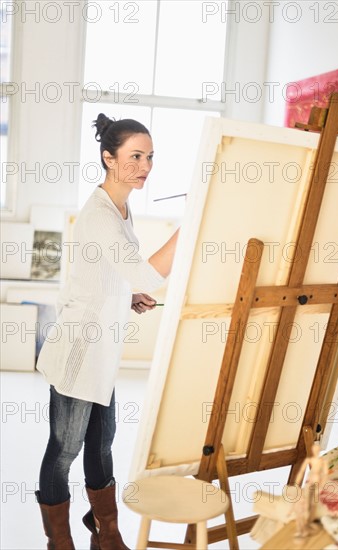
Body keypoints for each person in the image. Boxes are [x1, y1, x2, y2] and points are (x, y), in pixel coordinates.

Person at [35, 115, 179, 549]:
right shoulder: (99, 214)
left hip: (102, 350)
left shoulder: (122, 208)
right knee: (65, 449)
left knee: (101, 447)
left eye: (150, 157)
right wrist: (188, 230)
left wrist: (126, 294)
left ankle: (106, 530)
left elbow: (112, 272)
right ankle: (58, 538)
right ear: (108, 158)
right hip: (79, 350)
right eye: (135, 156)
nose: (145, 166)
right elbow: (149, 274)